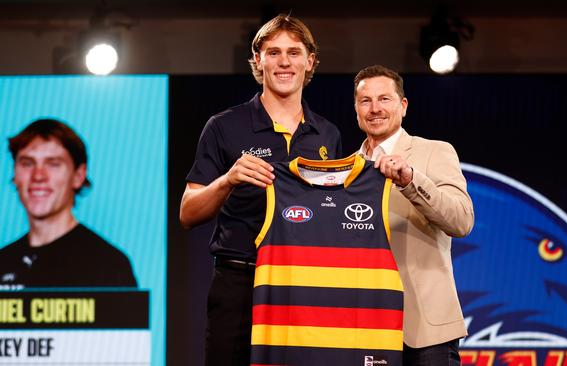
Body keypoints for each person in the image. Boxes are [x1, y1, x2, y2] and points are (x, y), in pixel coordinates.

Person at [179, 14, 342, 365]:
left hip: (304, 283)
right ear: (258, 60)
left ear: (310, 61)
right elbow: (188, 213)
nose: (285, 61)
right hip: (240, 281)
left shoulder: (328, 134)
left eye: (294, 52)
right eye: (274, 52)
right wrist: (228, 179)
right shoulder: (224, 126)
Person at [354, 65, 474, 366]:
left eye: (384, 99)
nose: (375, 109)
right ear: (356, 108)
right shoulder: (346, 169)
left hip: (426, 332)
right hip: (365, 327)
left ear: (403, 106)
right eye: (365, 101)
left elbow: (461, 220)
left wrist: (410, 180)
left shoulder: (435, 152)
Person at [0, 119, 137, 288]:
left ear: (78, 176)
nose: (38, 176)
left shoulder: (109, 266)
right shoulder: (3, 261)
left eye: (53, 164)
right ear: (15, 175)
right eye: (27, 163)